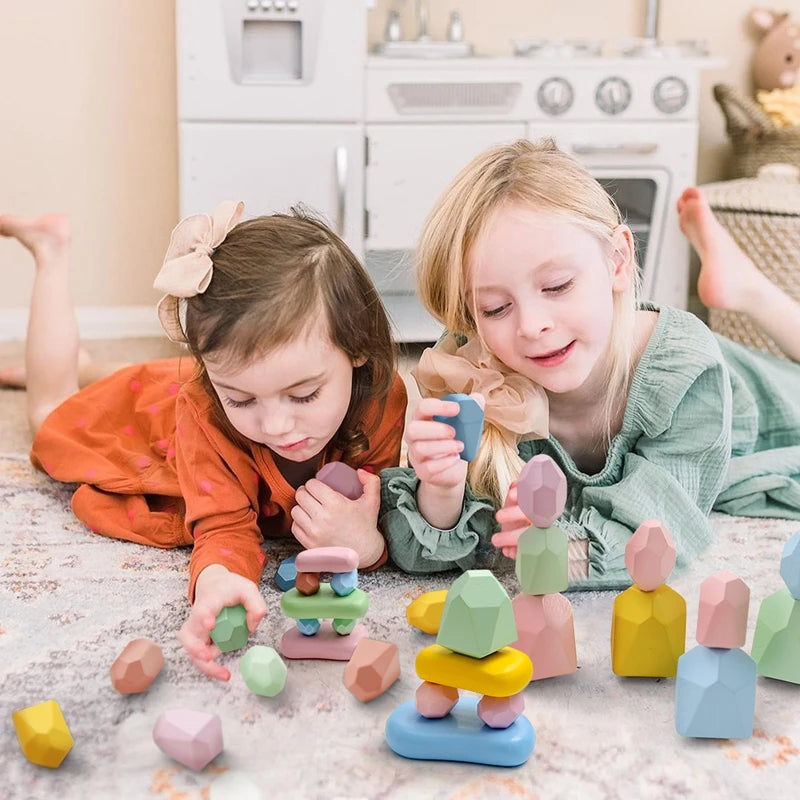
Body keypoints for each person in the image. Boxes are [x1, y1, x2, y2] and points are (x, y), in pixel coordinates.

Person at [0, 201, 407, 679]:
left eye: (303, 394)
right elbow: (223, 529)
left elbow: (388, 511)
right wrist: (217, 580)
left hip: (186, 391)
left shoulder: (381, 399)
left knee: (158, 381)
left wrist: (368, 543)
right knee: (51, 413)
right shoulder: (203, 409)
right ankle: (51, 251)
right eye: (240, 399)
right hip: (161, 428)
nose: (275, 426)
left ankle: (95, 365)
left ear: (358, 348)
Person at [378, 138, 800, 588]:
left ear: (618, 260)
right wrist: (440, 490)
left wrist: (564, 557)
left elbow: (652, 545)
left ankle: (750, 291)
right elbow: (425, 549)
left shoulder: (684, 372)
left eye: (557, 286)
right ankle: (740, 287)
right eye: (496, 308)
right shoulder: (470, 368)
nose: (532, 326)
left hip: (759, 402)